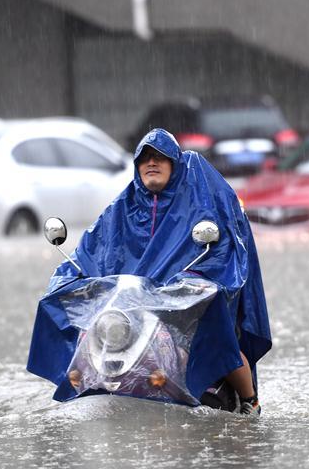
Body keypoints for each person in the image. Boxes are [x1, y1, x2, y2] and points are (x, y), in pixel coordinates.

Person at [29, 128, 271, 415]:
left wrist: (197, 280)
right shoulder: (122, 208)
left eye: (160, 158)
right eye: (145, 159)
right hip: (130, 307)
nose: (151, 163)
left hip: (184, 304)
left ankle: (249, 401)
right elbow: (90, 251)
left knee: (218, 336)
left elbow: (224, 251)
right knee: (80, 335)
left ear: (174, 164)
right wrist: (68, 277)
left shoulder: (201, 204)